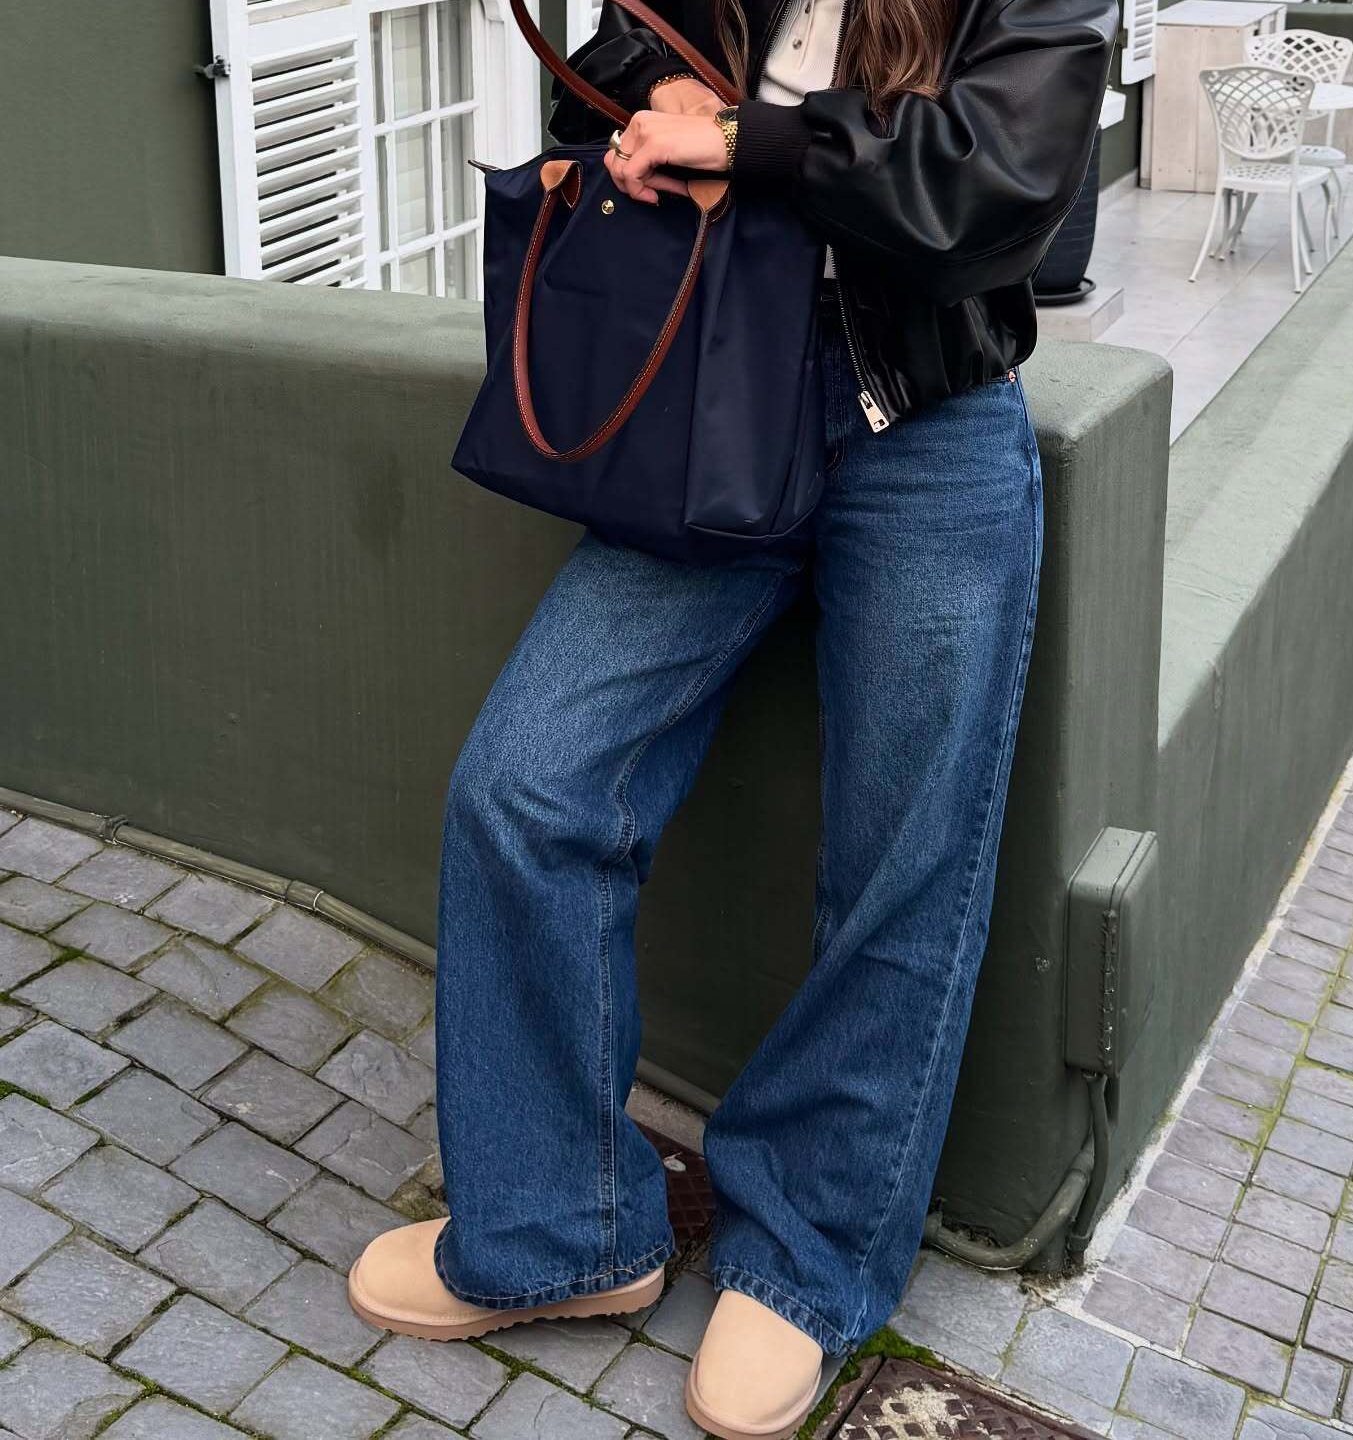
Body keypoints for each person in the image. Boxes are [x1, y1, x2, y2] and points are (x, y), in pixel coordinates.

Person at [347, 1, 1116, 1435]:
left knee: (903, 866)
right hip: (711, 388)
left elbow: (1001, 186)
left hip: (931, 426)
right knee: (527, 783)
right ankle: (561, 1227)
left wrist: (753, 145)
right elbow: (617, 69)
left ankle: (807, 1258)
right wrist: (646, 126)